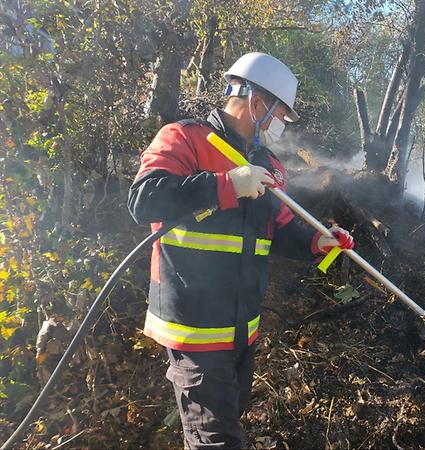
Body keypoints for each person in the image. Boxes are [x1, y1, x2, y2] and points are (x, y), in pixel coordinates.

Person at [127, 52, 354, 448]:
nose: (282, 123)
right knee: (218, 441)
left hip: (242, 329)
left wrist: (318, 242)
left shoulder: (267, 164)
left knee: (224, 421)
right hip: (194, 330)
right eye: (280, 112)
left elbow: (278, 228)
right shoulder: (185, 138)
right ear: (257, 101)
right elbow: (144, 200)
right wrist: (224, 185)